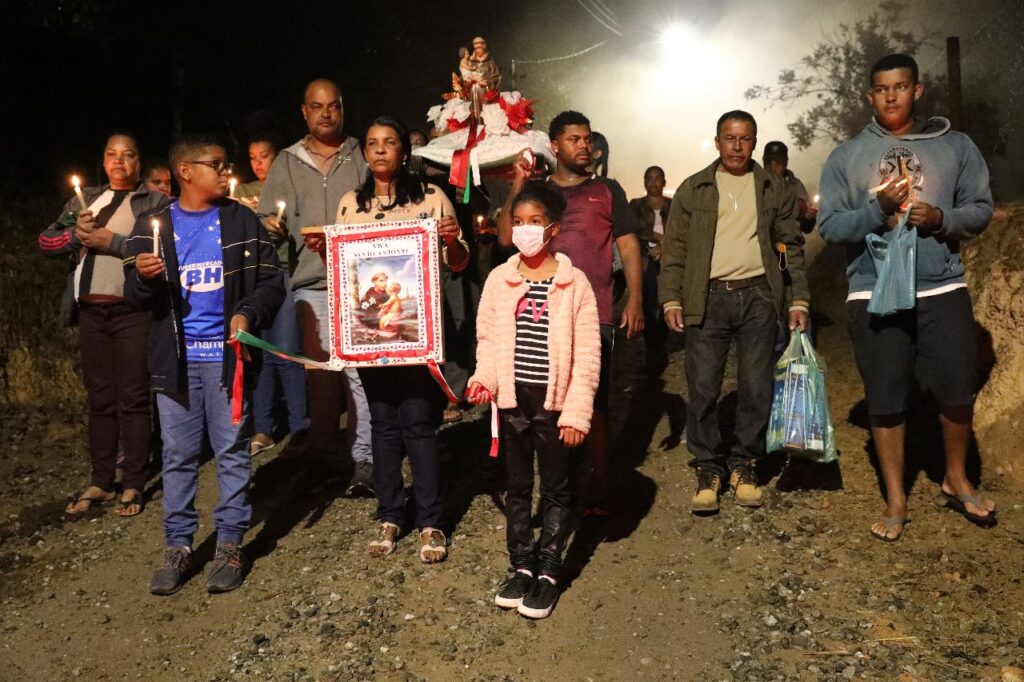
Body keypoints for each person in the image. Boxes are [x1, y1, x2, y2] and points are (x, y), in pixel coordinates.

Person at [818, 53, 996, 540]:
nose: (891, 96)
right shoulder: (846, 156)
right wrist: (877, 208)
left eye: (900, 87)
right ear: (870, 95)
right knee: (886, 395)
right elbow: (831, 225)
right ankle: (896, 499)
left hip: (942, 286)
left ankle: (956, 476)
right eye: (881, 89)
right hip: (872, 290)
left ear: (917, 91)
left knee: (958, 386)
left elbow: (981, 209)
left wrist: (941, 219)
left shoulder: (955, 146)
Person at [123, 134, 284, 595]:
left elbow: (271, 281)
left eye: (226, 163)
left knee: (232, 450)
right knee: (178, 456)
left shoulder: (241, 220)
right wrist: (145, 279)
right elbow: (134, 296)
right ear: (185, 171)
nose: (225, 171)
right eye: (215, 164)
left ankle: (230, 542)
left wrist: (247, 313)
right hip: (176, 362)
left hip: (226, 360)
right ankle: (178, 545)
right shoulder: (152, 224)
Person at [307, 115, 468, 563]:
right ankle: (391, 511)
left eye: (390, 142)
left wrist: (453, 242)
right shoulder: (348, 205)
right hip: (369, 334)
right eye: (373, 143)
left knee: (418, 421)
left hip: (416, 333)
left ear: (404, 152)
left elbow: (457, 262)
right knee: (381, 422)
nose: (380, 149)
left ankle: (432, 520)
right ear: (364, 153)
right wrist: (327, 252)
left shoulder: (432, 197)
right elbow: (343, 273)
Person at [659, 110, 809, 515]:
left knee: (756, 387)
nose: (737, 146)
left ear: (754, 142)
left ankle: (745, 464)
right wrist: (672, 298)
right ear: (717, 141)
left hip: (760, 297)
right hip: (708, 299)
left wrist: (798, 300)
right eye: (730, 138)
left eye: (745, 139)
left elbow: (790, 245)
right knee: (704, 387)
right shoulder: (695, 188)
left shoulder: (771, 187)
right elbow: (674, 251)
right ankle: (708, 468)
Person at [499, 110, 645, 517]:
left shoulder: (607, 190)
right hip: (539, 317)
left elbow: (629, 247)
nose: (585, 145)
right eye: (575, 139)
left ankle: (598, 488)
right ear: (555, 144)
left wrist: (634, 299)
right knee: (546, 408)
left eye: (587, 138)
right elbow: (507, 236)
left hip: (595, 314)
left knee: (592, 405)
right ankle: (554, 493)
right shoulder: (539, 193)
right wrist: (517, 184)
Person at [467, 183, 600, 619]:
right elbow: (487, 338)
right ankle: (521, 564)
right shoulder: (500, 280)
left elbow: (587, 354)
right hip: (513, 401)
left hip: (555, 403)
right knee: (519, 485)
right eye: (518, 222)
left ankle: (549, 570)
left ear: (554, 229)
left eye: (535, 222)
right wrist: (484, 379)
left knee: (557, 487)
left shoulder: (574, 284)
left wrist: (577, 411)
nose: (524, 230)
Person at [39, 132, 168, 520]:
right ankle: (100, 478)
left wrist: (113, 241)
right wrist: (73, 235)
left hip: (131, 310)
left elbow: (163, 249)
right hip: (91, 313)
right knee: (99, 398)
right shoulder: (85, 201)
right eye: (112, 154)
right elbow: (46, 242)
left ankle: (132, 481)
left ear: (138, 163)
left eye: (128, 155)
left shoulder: (153, 201)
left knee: (133, 395)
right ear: (103, 160)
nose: (119, 161)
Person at [257, 79, 374, 494]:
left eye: (334, 106)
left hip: (361, 280)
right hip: (312, 282)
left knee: (361, 372)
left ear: (343, 110)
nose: (327, 113)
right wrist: (270, 227)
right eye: (317, 106)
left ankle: (365, 459)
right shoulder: (287, 162)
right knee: (322, 372)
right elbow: (269, 220)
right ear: (304, 112)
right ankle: (323, 456)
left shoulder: (363, 154)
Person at [236, 132, 308, 456]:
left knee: (287, 352)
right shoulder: (242, 192)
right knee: (260, 353)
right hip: (255, 277)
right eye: (252, 157)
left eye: (264, 155)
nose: (258, 163)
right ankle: (263, 429)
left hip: (285, 271)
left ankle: (300, 428)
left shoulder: (288, 184)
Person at [629, 165, 672, 372]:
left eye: (658, 179)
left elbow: (680, 230)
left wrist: (664, 246)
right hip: (644, 260)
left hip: (669, 259)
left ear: (664, 182)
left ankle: (660, 341)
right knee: (648, 302)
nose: (654, 183)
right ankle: (651, 346)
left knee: (667, 302)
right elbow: (634, 228)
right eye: (650, 178)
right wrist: (655, 239)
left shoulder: (673, 205)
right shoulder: (636, 205)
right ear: (644, 182)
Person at [762, 141, 818, 233]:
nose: (773, 168)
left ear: (785, 163)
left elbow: (807, 228)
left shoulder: (796, 187)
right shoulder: (755, 185)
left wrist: (809, 218)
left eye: (778, 163)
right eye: (769, 163)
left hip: (790, 244)